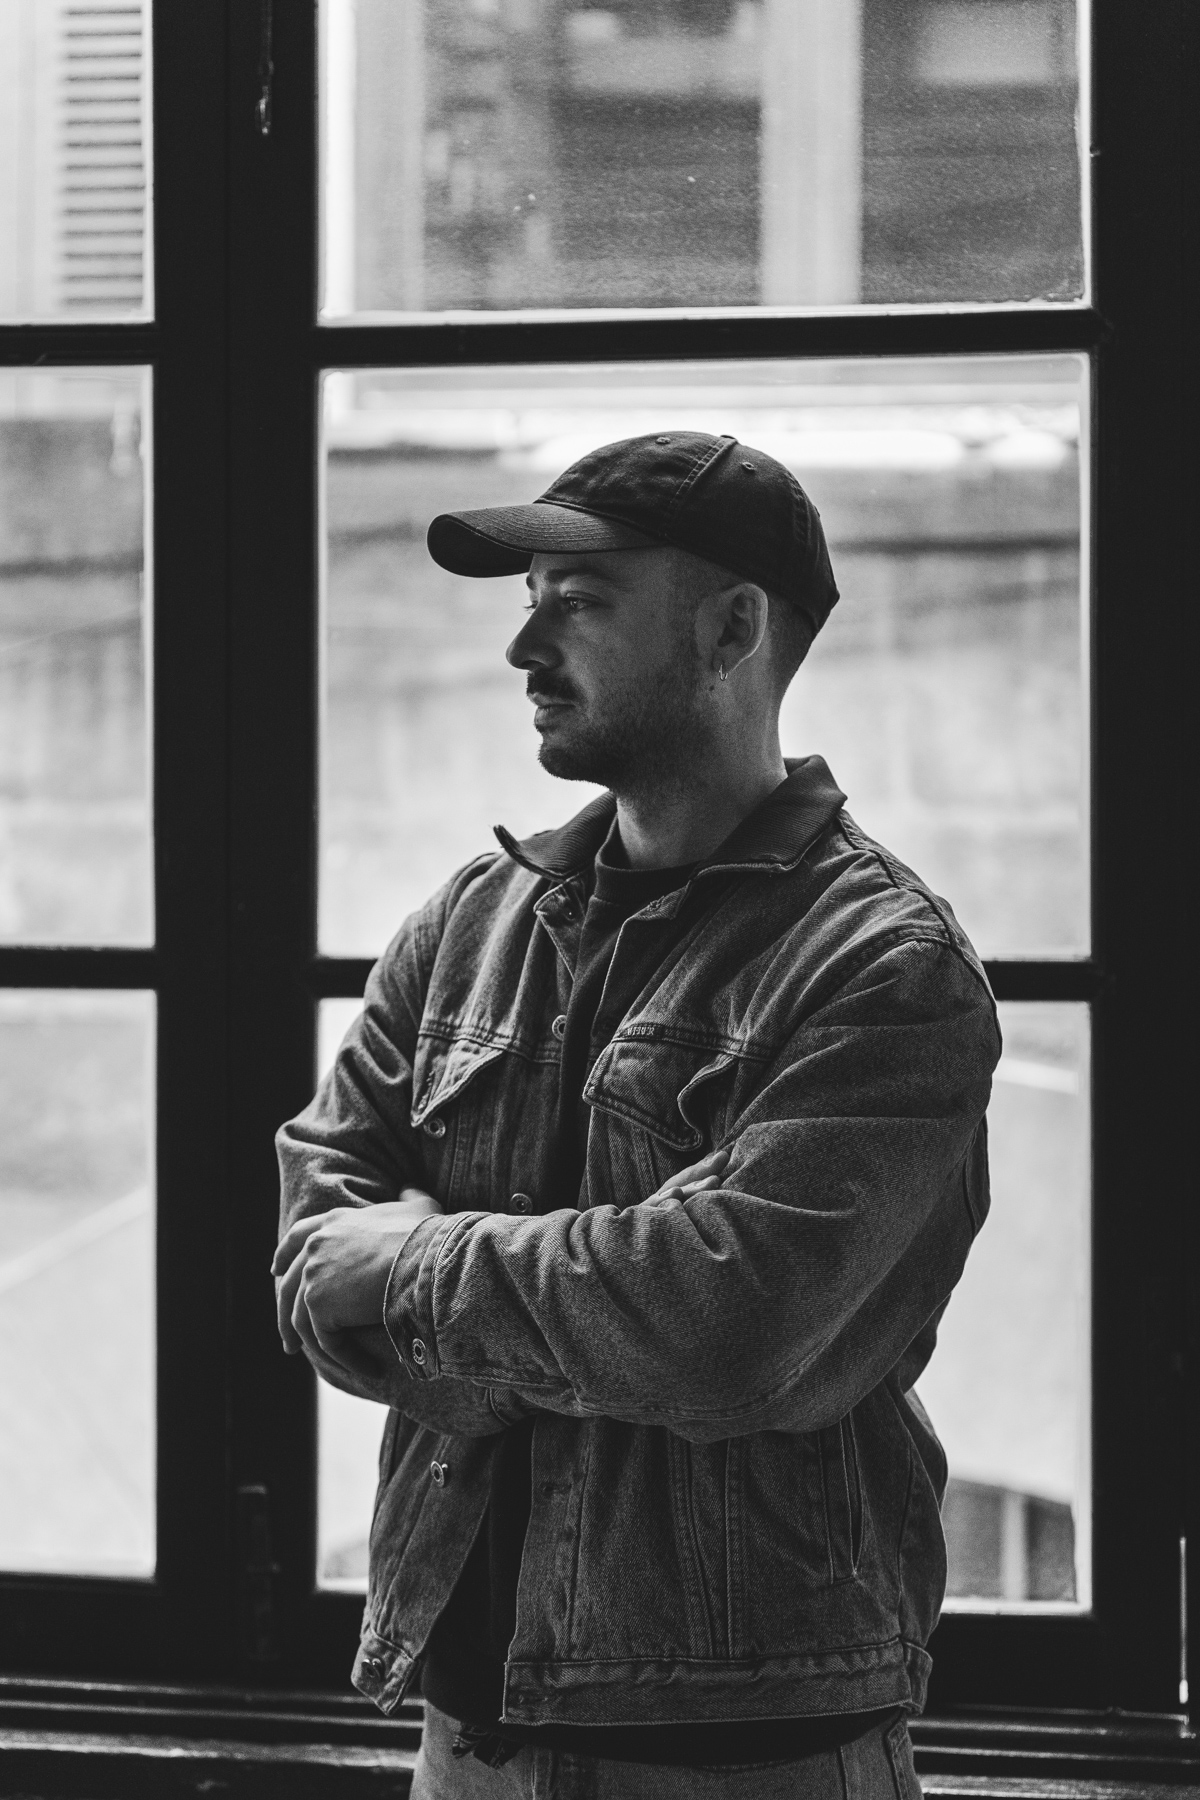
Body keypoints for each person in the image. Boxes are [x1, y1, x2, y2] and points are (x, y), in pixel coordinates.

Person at [274, 431, 1000, 1799]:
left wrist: (419, 1269)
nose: (524, 649)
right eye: (528, 601)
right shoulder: (470, 922)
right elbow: (315, 1261)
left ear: (734, 629)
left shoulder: (885, 968)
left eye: (582, 602)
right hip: (463, 1734)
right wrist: (590, 1328)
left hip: (747, 1751)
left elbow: (729, 1324)